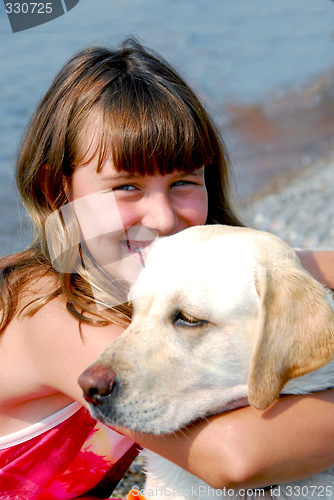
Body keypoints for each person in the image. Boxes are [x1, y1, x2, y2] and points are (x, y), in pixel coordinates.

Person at [0, 38, 334, 500]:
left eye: (181, 182)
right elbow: (234, 459)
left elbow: (290, 265)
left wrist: (276, 267)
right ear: (59, 192)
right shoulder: (48, 310)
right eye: (125, 187)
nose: (162, 219)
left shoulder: (156, 278)